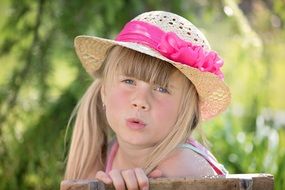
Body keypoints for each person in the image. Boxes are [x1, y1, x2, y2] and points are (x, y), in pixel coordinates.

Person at [64, 11, 231, 190]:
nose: (140, 101)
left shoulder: (183, 167)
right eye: (129, 81)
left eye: (161, 88)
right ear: (104, 91)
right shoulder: (102, 157)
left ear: (187, 111)